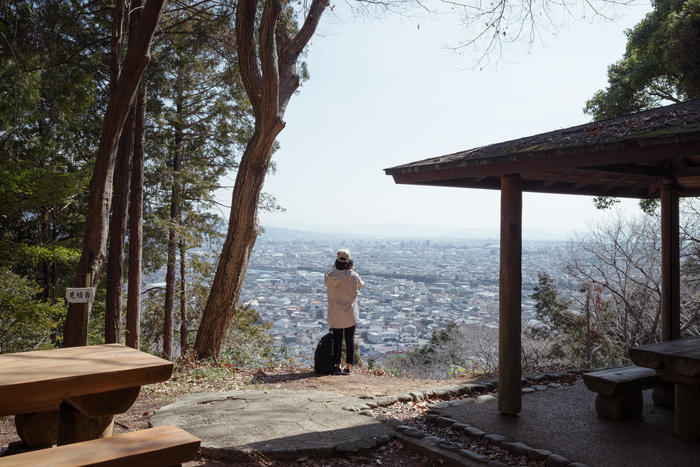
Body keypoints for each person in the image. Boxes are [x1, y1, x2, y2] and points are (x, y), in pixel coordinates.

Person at [324, 248, 364, 375]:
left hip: (335, 313)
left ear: (336, 261)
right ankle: (348, 367)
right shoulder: (353, 276)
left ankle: (337, 365)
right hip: (350, 314)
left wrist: (333, 267)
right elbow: (361, 285)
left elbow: (327, 278)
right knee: (349, 340)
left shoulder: (330, 277)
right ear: (349, 262)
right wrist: (351, 270)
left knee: (337, 340)